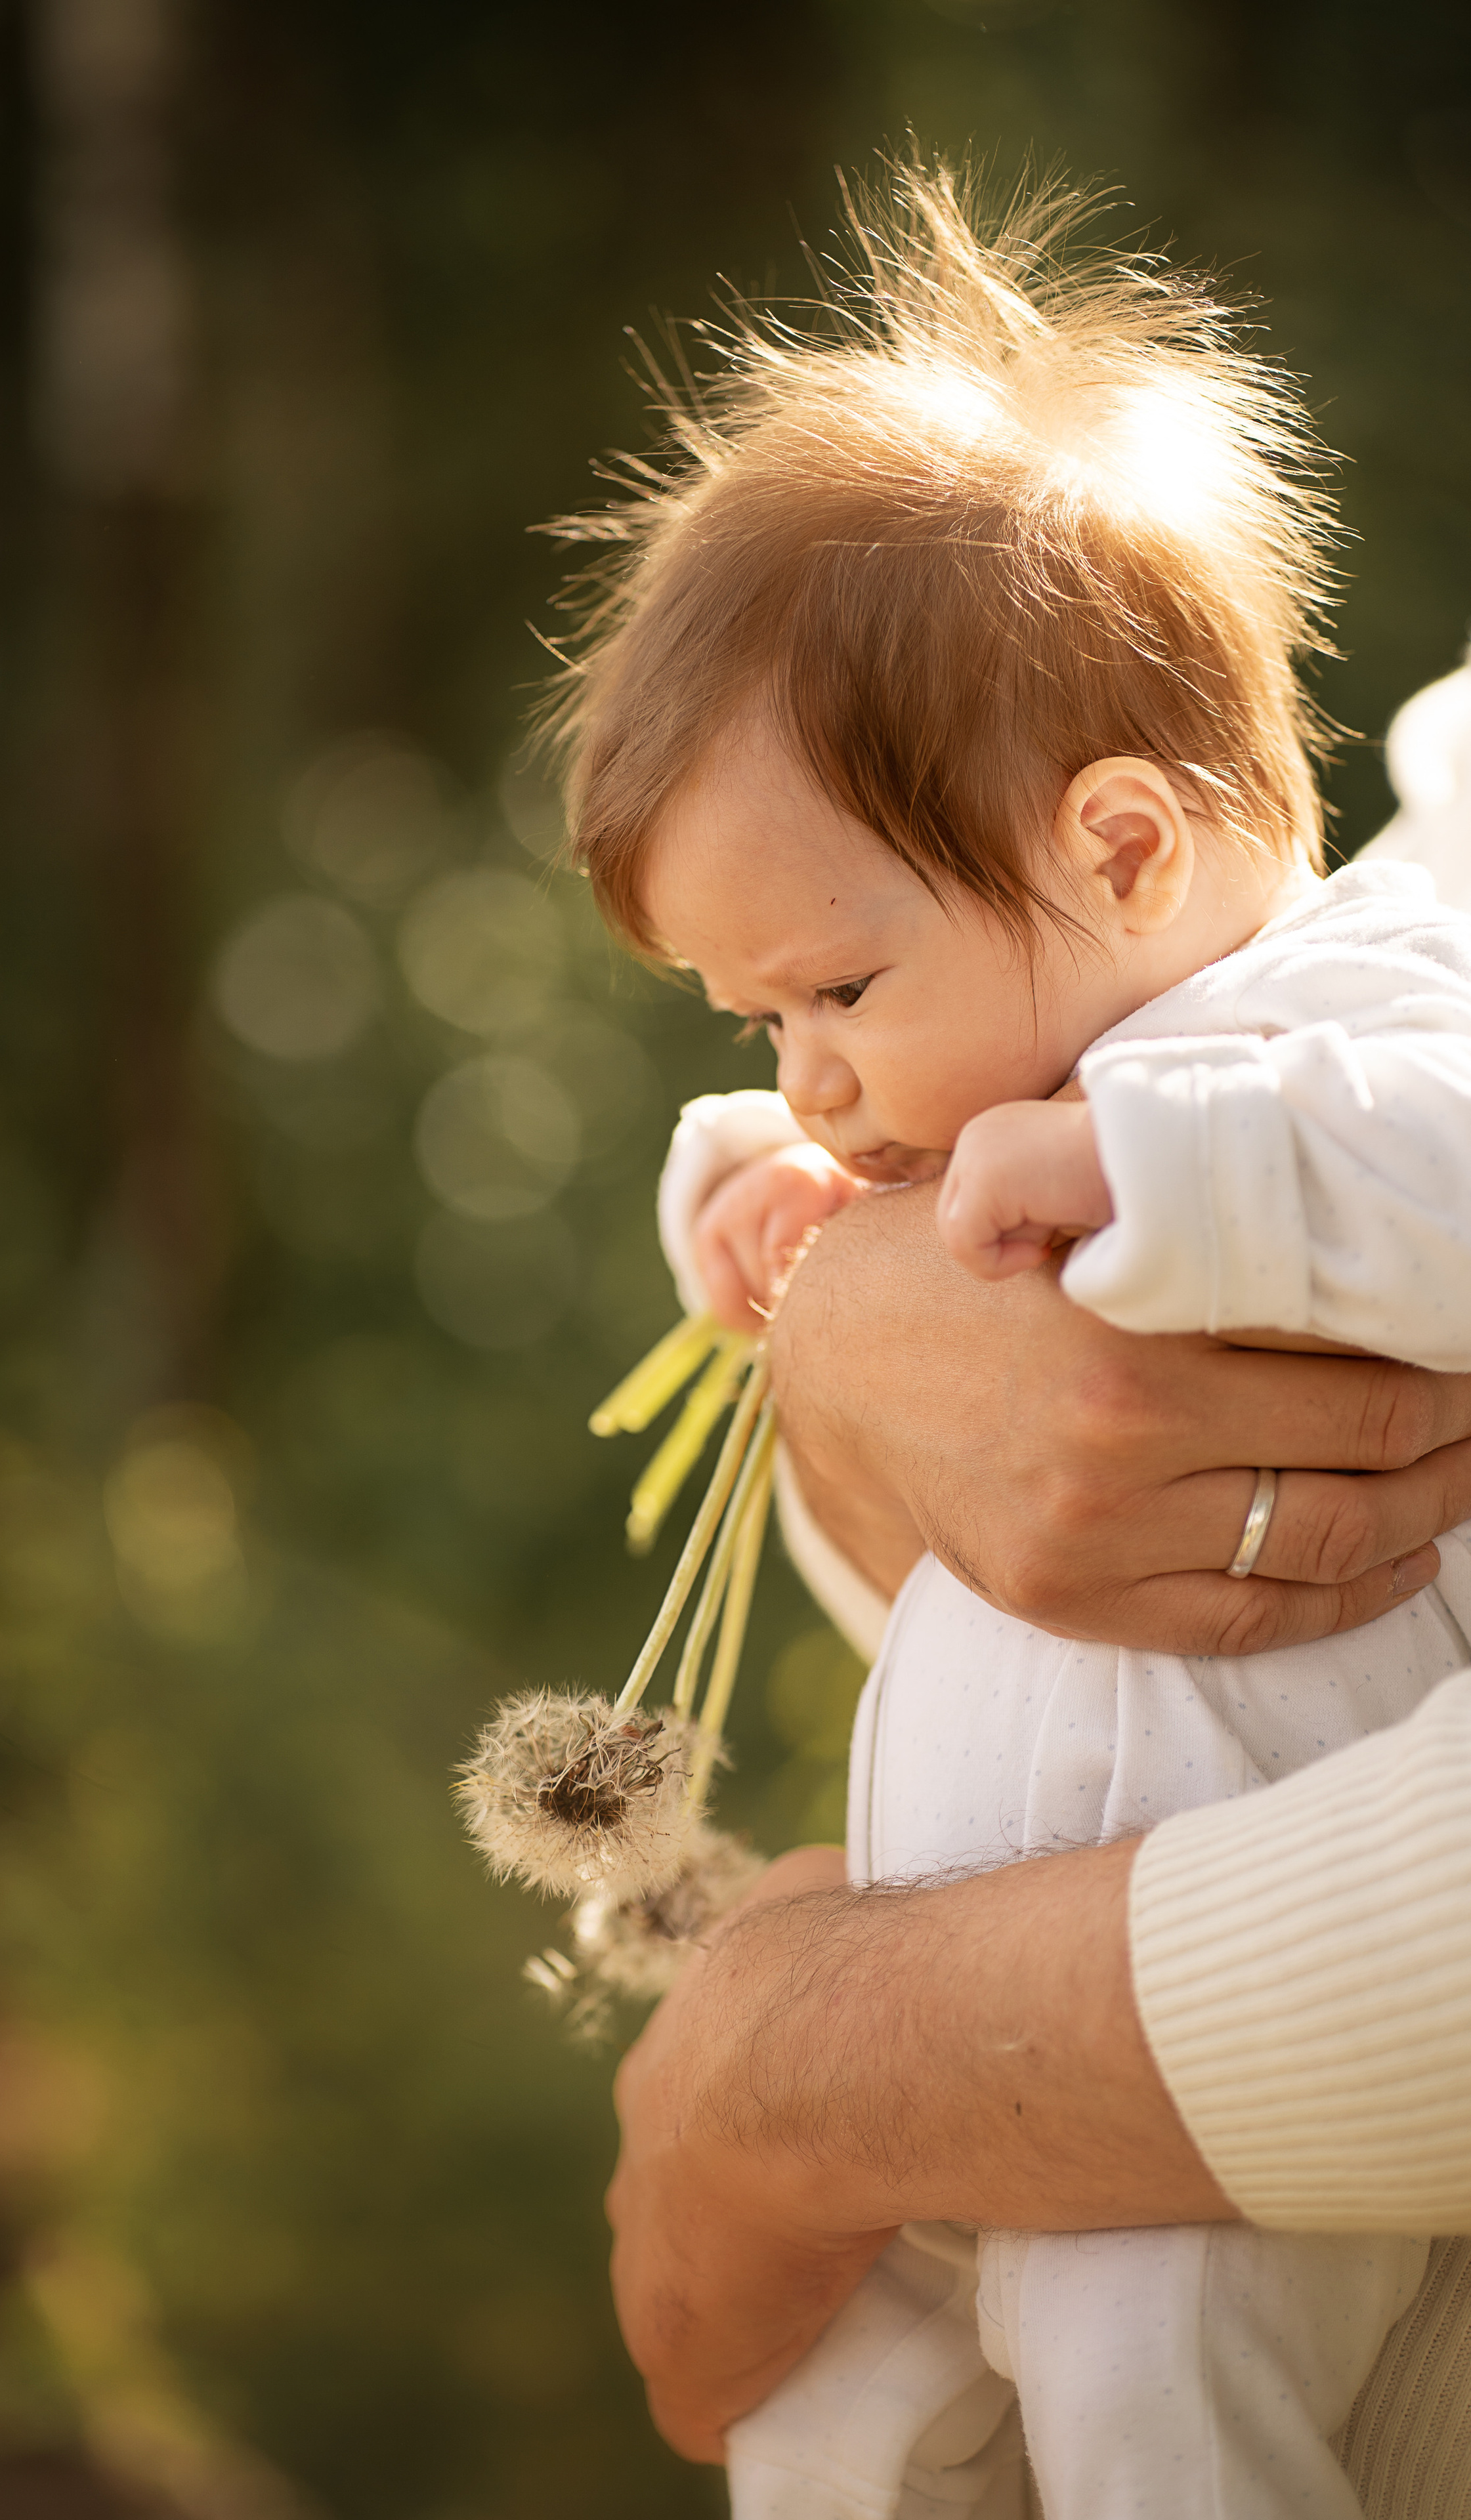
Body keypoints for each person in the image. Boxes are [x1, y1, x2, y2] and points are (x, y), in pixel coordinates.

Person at [545, 157, 1471, 2518]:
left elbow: (1439, 1176)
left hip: (1215, 2037)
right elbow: (977, 1539)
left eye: (835, 993)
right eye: (758, 1022)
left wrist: (1168, 1176)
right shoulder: (992, 1059)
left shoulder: (1360, 1009)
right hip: (985, 1942)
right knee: (829, 2410)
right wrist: (765, 1224)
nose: (812, 1077)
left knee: (1172, 2400)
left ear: (1130, 849)